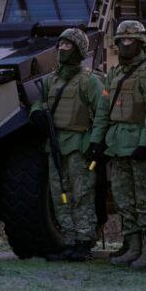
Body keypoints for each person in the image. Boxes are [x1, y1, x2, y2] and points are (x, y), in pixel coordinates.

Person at [28, 28, 106, 262]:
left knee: (81, 193)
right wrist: (37, 114)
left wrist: (95, 142)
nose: (61, 49)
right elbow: (39, 103)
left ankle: (84, 241)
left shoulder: (89, 80)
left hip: (78, 145)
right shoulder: (52, 79)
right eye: (60, 45)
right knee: (59, 194)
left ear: (79, 50)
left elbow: (101, 112)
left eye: (67, 46)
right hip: (55, 144)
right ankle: (69, 240)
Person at [104, 20, 146, 271]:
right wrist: (100, 139)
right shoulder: (114, 73)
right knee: (123, 200)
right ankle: (133, 247)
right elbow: (103, 109)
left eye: (129, 41)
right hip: (117, 145)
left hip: (140, 146)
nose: (124, 45)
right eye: (121, 41)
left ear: (141, 44)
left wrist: (145, 143)